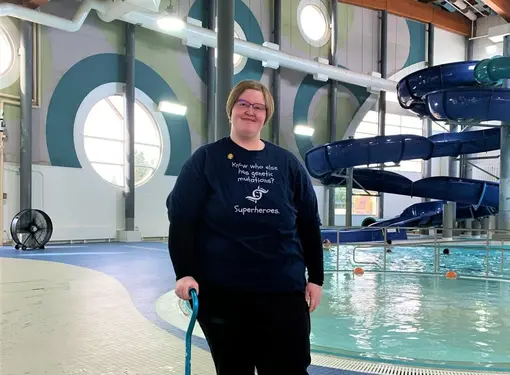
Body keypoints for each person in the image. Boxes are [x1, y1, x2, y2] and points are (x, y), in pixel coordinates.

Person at [166, 79, 324, 375]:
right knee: (233, 369)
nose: (250, 111)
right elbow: (182, 218)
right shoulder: (206, 160)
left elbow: (308, 223)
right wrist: (184, 272)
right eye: (243, 104)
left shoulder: (286, 163)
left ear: (266, 115)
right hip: (224, 294)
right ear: (231, 110)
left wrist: (316, 278)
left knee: (289, 369)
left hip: (283, 293)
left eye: (258, 106)